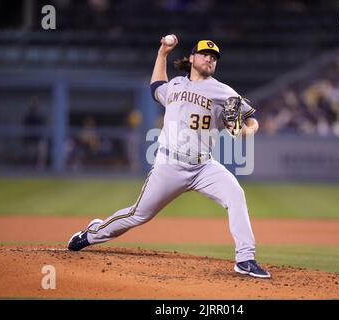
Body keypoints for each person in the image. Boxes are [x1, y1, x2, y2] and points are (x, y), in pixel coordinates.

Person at [67, 35, 271, 278]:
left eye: (214, 57)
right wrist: (163, 53)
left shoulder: (223, 91)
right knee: (138, 214)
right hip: (169, 165)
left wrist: (249, 130)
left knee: (236, 194)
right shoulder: (174, 85)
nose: (210, 58)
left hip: (204, 166)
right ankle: (91, 234)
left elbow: (251, 118)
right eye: (205, 54)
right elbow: (155, 87)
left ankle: (245, 259)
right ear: (192, 58)